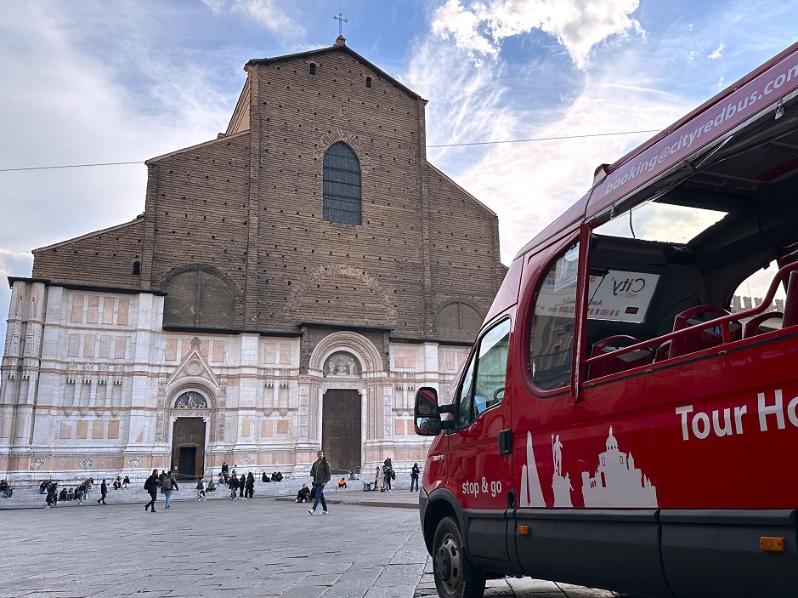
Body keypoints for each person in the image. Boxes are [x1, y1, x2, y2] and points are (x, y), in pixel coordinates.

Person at [308, 449, 330, 515]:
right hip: (316, 482)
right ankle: (325, 510)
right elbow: (312, 471)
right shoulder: (315, 463)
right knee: (321, 497)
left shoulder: (326, 463)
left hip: (322, 482)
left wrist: (325, 481)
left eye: (321, 454)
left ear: (323, 455)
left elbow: (328, 473)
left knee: (317, 496)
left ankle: (313, 509)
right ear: (317, 455)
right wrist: (312, 473)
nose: (320, 455)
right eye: (319, 454)